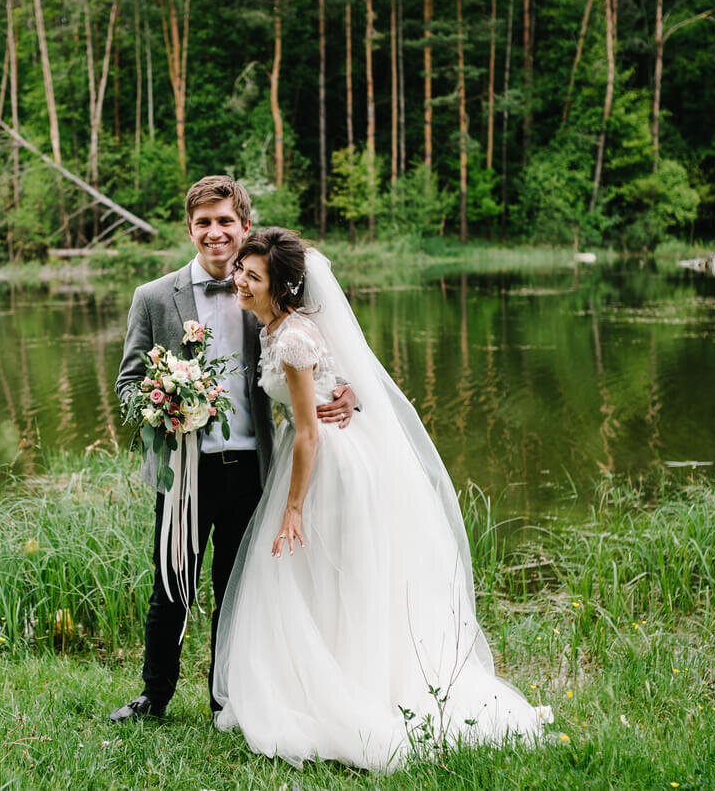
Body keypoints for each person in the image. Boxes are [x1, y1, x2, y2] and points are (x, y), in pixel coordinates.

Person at [212, 228, 551, 770]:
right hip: (322, 456)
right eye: (242, 273)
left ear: (281, 289)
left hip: (327, 466)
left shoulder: (293, 336)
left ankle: (355, 691)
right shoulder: (281, 326)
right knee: (319, 577)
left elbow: (306, 431)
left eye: (253, 277)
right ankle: (323, 681)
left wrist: (293, 507)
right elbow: (337, 376)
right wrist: (341, 389)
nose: (240, 282)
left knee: (328, 571)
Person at [109, 177, 359, 723]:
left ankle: (228, 698)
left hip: (255, 469)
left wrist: (348, 391)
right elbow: (128, 383)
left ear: (244, 227)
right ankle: (155, 696)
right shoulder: (153, 297)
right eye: (204, 222)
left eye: (226, 221)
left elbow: (323, 348)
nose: (215, 232)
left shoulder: (268, 290)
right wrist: (162, 405)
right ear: (190, 229)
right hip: (185, 470)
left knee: (239, 589)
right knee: (171, 585)